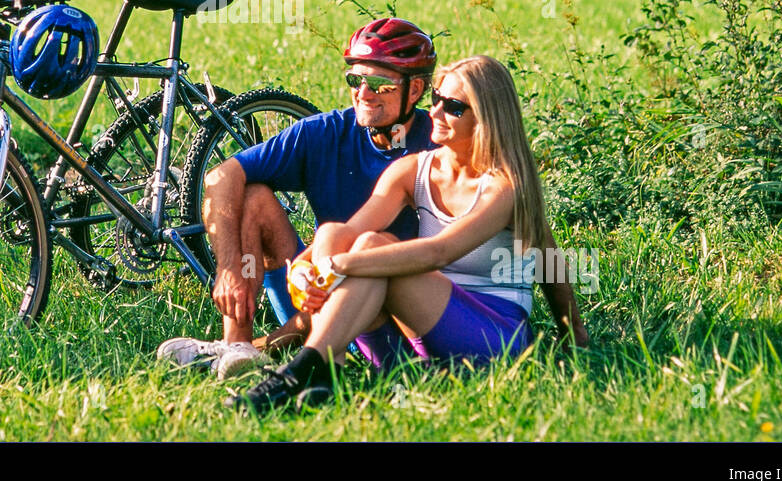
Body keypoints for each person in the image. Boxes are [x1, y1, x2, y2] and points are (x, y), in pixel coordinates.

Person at [228, 54, 590, 413]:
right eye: (436, 99)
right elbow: (346, 232)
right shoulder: (413, 170)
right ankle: (327, 369)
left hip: (492, 340)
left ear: (486, 119)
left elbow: (440, 253)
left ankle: (302, 370)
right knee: (353, 238)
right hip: (421, 343)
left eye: (453, 107)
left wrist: (575, 337)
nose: (434, 112)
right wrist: (306, 268)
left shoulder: (504, 187)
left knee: (372, 255)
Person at [157, 17, 439, 379]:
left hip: (389, 307)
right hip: (318, 290)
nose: (363, 93)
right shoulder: (327, 132)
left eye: (379, 84)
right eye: (355, 79)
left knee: (363, 250)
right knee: (254, 196)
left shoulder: (440, 142)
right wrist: (229, 268)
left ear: (415, 90)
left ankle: (277, 349)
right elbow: (221, 176)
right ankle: (237, 348)